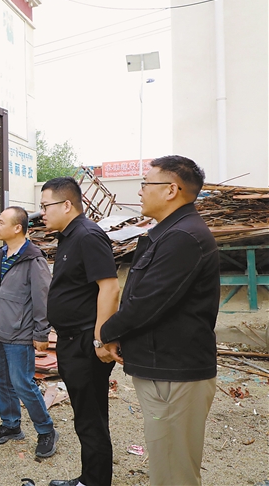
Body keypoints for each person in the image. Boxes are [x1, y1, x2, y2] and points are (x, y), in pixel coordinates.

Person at [100, 156, 219, 486]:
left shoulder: (184, 237)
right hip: (162, 366)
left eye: (145, 184)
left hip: (175, 371)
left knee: (175, 470)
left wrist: (105, 334)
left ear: (171, 190)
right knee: (165, 460)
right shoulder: (169, 233)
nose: (140, 191)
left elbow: (148, 303)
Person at [40, 177, 120, 486]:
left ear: (66, 205)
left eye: (45, 206)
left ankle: (94, 482)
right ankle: (91, 477)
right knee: (87, 415)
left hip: (85, 342)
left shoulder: (87, 235)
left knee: (90, 418)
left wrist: (100, 339)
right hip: (71, 340)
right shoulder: (68, 237)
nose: (42, 213)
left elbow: (110, 288)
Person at [0, 206, 59, 459]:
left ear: (17, 228)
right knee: (2, 380)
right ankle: (11, 425)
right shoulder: (1, 255)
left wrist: (41, 333)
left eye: (1, 222)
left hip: (19, 334)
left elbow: (42, 299)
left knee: (23, 384)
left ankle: (46, 430)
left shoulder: (33, 260)